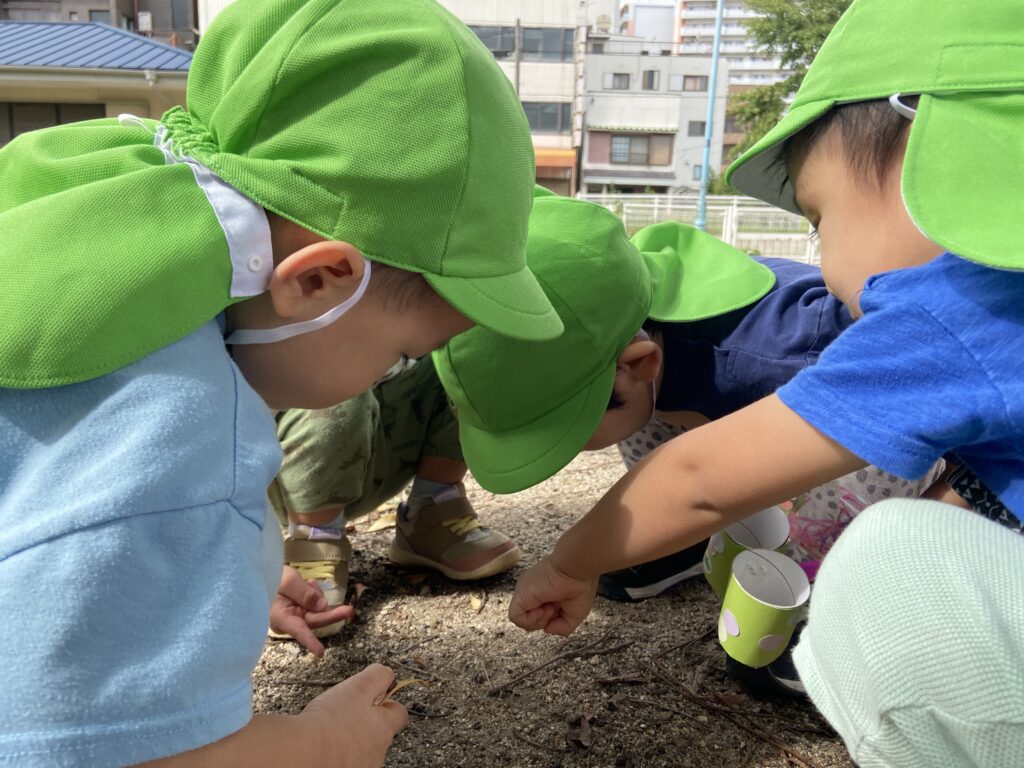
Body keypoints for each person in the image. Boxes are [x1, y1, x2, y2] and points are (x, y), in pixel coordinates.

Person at [0, 0, 562, 765]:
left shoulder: (74, 250)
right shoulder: (184, 440)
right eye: (402, 354)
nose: (393, 372)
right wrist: (324, 744)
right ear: (323, 279)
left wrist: (198, 579)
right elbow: (101, 751)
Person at [506, 1, 1024, 765]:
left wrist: (568, 562)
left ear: (935, 155)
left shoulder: (964, 304)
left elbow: (699, 478)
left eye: (822, 218)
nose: (823, 256)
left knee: (884, 557)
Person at [268, 356, 521, 641]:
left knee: (463, 355)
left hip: (391, 420)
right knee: (334, 376)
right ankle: (312, 541)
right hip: (294, 461)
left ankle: (433, 509)